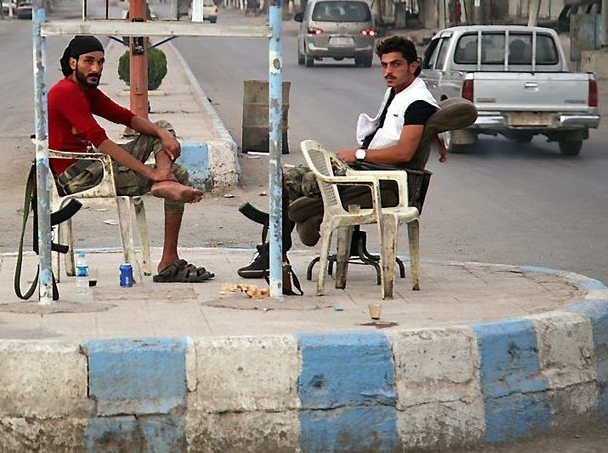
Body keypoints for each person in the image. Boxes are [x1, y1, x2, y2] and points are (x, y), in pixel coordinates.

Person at [238, 35, 443, 278]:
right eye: (385, 65)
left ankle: (273, 251)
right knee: (288, 178)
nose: (388, 71)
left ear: (413, 66)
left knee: (290, 182)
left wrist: (357, 154)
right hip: (367, 170)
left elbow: (405, 151)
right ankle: (277, 243)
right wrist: (435, 135)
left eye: (396, 64)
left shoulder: (417, 102)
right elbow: (413, 130)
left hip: (378, 178)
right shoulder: (400, 92)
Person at [48, 36, 213, 282]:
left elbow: (125, 117)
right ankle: (168, 250)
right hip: (79, 177)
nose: (96, 69)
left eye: (101, 62)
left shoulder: (87, 91)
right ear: (73, 63)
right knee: (179, 174)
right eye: (89, 61)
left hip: (94, 167)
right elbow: (101, 141)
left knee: (162, 127)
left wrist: (160, 133)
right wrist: (150, 173)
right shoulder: (65, 92)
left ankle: (165, 181)